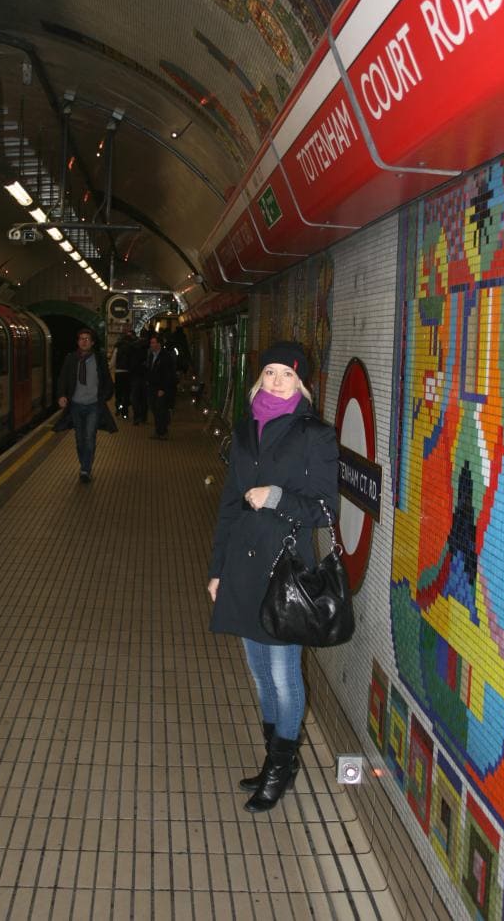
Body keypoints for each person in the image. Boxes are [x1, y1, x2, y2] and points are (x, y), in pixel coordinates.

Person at [207, 341, 338, 813]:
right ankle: (276, 757)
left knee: (284, 676)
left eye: (287, 374)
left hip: (285, 571)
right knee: (260, 675)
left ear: (301, 383)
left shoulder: (315, 435)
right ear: (258, 378)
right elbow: (229, 505)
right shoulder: (245, 431)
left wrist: (276, 497)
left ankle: (280, 768)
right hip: (243, 569)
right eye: (270, 372)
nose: (277, 381)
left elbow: (325, 510)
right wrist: (217, 570)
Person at [55, 327, 117, 481]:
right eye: (81, 339)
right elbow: (63, 378)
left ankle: (85, 469)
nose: (84, 341)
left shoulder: (99, 358)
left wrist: (104, 397)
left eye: (87, 339)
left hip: (93, 405)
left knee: (89, 437)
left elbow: (107, 380)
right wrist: (61, 395)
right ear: (78, 342)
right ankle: (85, 464)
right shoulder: (71, 359)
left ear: (92, 342)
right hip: (76, 405)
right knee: (79, 438)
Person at [146, 333, 176, 439]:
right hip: (152, 387)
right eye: (151, 343)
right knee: (154, 409)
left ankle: (163, 432)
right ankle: (158, 430)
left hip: (161, 388)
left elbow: (168, 374)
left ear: (159, 344)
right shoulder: (151, 355)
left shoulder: (165, 356)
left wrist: (163, 388)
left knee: (161, 410)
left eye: (153, 343)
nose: (151, 345)